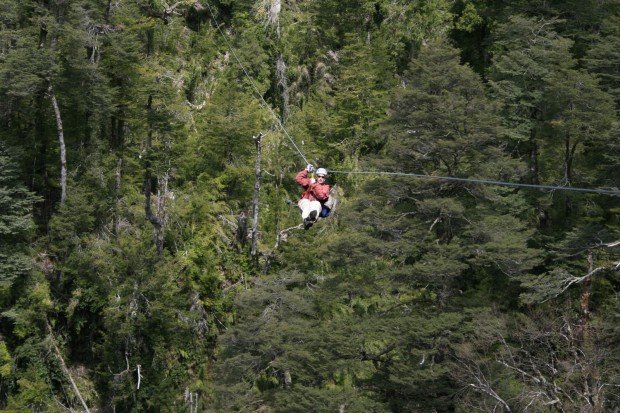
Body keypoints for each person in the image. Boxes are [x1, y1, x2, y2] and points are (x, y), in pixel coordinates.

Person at [295, 164, 330, 229]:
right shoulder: (310, 181)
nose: (320, 178)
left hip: (316, 205)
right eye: (319, 176)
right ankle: (306, 220)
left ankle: (311, 218)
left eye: (323, 177)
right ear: (316, 176)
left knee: (316, 203)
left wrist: (314, 185)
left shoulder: (326, 187)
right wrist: (306, 170)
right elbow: (298, 179)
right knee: (306, 202)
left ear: (325, 178)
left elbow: (321, 196)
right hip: (304, 203)